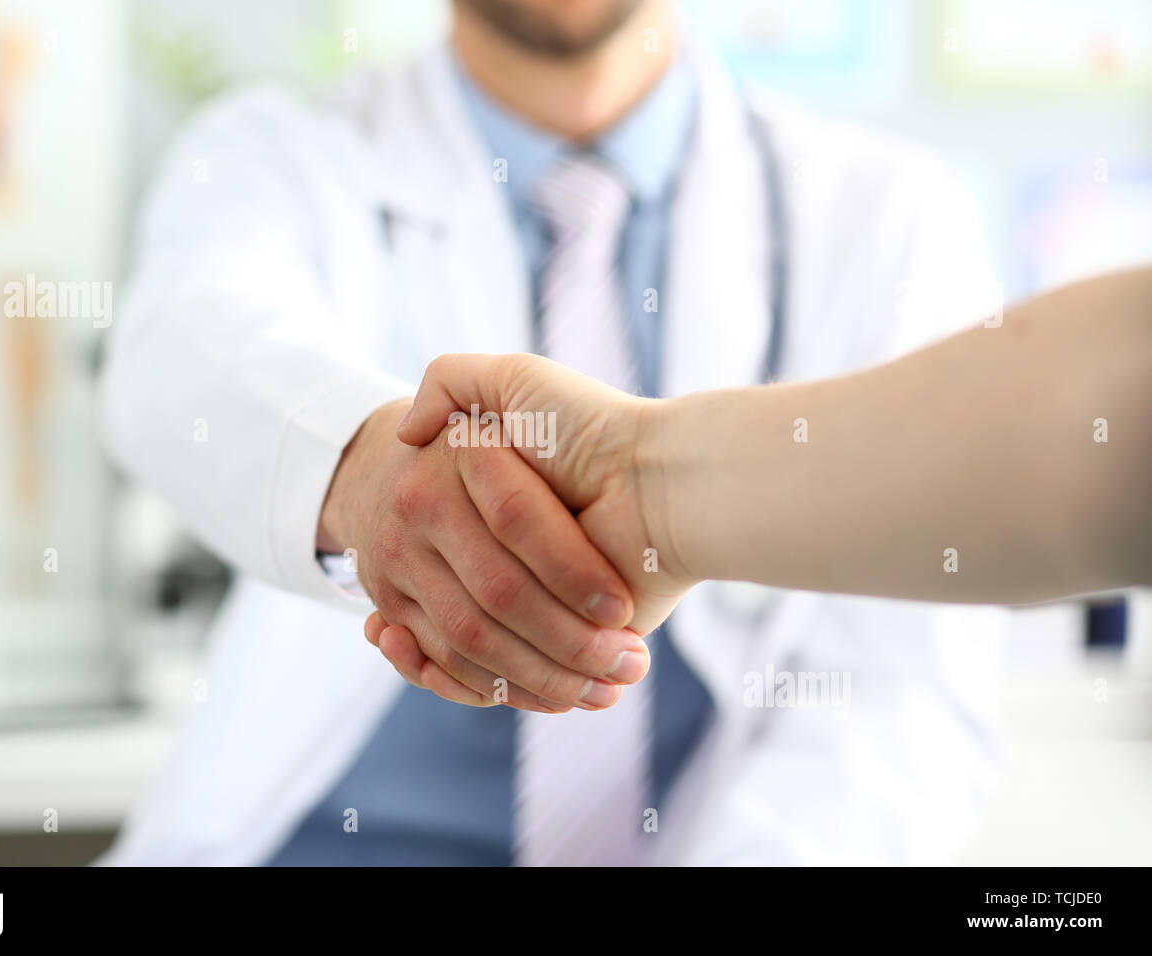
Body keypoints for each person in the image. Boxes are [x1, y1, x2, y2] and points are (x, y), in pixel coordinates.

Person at [99, 0, 1006, 865]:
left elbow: (901, 697)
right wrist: (358, 466)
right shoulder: (278, 155)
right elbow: (177, 350)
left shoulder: (887, 221)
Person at [371, 267, 1152, 694]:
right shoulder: (280, 147)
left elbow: (1102, 434)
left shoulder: (883, 201)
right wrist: (643, 489)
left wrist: (643, 486)